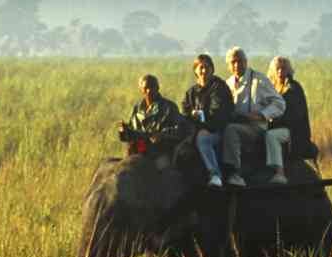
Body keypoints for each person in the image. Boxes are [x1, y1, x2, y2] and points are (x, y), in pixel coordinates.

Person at [222, 47, 286, 186]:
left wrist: (261, 115)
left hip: (255, 129)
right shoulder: (228, 83)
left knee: (231, 130)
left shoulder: (259, 80)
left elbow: (279, 103)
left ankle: (235, 173)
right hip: (237, 124)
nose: (237, 65)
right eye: (233, 62)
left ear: (246, 62)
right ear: (228, 65)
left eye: (240, 61)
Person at [181, 53, 233, 187]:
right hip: (196, 130)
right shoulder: (191, 92)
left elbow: (218, 113)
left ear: (212, 69)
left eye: (207, 67)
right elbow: (185, 111)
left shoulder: (219, 87)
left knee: (203, 139)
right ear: (195, 70)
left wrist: (205, 125)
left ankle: (215, 175)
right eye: (200, 67)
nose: (203, 70)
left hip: (218, 130)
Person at [122, 73, 191, 168]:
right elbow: (130, 134)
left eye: (152, 87)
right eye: (146, 88)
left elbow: (180, 129)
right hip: (140, 149)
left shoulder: (169, 107)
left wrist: (162, 135)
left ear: (158, 88)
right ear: (141, 90)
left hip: (161, 150)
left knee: (161, 171)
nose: (149, 91)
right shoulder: (137, 109)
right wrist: (123, 131)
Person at [265, 56, 312, 183]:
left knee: (271, 136)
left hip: (293, 132)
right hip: (279, 126)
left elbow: (293, 116)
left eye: (283, 68)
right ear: (273, 71)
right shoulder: (272, 88)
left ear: (289, 70)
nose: (280, 72)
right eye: (277, 69)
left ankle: (279, 172)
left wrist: (271, 122)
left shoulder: (293, 88)